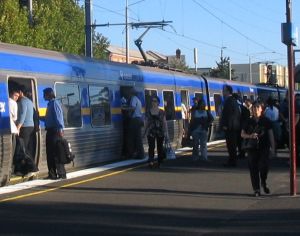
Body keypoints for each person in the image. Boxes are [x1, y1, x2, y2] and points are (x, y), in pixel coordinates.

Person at [241, 101, 275, 197]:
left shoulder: (266, 121)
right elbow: (242, 134)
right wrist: (250, 135)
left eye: (257, 107)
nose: (255, 109)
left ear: (261, 109)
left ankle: (263, 181)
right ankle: (256, 189)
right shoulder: (248, 121)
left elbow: (271, 135)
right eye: (254, 108)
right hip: (251, 148)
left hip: (264, 147)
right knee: (253, 169)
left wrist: (273, 148)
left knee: (264, 167)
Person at [43, 87, 66, 179]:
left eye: (44, 94)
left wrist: (60, 130)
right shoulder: (50, 104)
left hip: (55, 132)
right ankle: (52, 174)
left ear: (49, 94)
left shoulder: (55, 103)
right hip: (50, 131)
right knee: (50, 153)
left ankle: (61, 174)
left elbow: (59, 117)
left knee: (57, 153)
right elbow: (50, 119)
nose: (43, 96)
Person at [144, 95, 168, 167]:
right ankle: (151, 161)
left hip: (160, 131)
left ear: (158, 103)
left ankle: (159, 161)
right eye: (152, 101)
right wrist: (144, 132)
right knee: (151, 147)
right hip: (151, 131)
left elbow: (164, 122)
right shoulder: (148, 112)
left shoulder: (162, 112)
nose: (153, 102)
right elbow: (146, 122)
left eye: (155, 101)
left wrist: (166, 132)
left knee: (159, 147)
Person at [220, 85, 241, 167]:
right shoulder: (233, 101)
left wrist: (226, 125)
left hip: (230, 128)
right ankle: (232, 161)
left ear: (228, 91)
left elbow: (229, 115)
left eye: (224, 90)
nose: (223, 92)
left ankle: (232, 162)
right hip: (234, 127)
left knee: (231, 145)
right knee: (232, 145)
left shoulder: (229, 101)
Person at [16, 85, 36, 165]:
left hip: (25, 127)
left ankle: (32, 167)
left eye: (18, 92)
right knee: (27, 147)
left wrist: (18, 127)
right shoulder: (29, 101)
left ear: (21, 92)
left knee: (23, 148)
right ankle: (30, 166)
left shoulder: (23, 101)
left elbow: (22, 114)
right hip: (31, 127)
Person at [125, 88, 144, 159]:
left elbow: (132, 108)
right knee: (138, 138)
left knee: (130, 138)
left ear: (131, 93)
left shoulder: (133, 98)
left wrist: (124, 109)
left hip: (134, 120)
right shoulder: (138, 100)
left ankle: (131, 154)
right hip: (139, 120)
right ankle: (141, 154)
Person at [9, 89, 20, 157]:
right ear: (11, 94)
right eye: (15, 95)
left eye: (18, 96)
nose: (16, 97)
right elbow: (15, 118)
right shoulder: (13, 103)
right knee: (13, 148)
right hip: (12, 129)